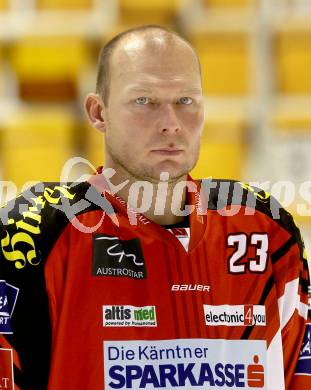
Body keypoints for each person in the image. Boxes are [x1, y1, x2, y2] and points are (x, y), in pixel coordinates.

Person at [0, 25, 310, 390]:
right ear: (98, 113)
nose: (171, 124)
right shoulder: (35, 232)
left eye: (186, 100)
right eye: (144, 101)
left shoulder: (265, 229)